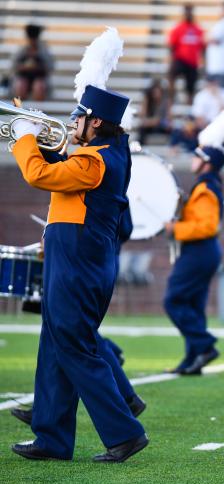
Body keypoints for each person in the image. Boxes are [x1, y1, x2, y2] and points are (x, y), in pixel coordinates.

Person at [9, 77, 149, 462]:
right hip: (76, 260)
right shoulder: (104, 154)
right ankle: (52, 438)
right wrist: (35, 141)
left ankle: (125, 433)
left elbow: (38, 175)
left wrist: (23, 139)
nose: (72, 125)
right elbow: (61, 170)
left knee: (74, 347)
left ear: (97, 123)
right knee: (55, 345)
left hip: (78, 264)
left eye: (79, 119)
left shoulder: (96, 159)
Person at [10, 211, 147, 426]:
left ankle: (126, 401)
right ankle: (46, 413)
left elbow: (125, 227)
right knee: (63, 334)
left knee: (77, 333)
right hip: (77, 256)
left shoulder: (93, 182)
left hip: (87, 258)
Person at [164, 108, 224, 375]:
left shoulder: (207, 188)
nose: (193, 160)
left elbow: (207, 226)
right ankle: (192, 359)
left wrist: (176, 228)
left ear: (206, 160)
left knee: (174, 300)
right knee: (193, 306)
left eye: (198, 156)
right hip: (202, 251)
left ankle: (204, 345)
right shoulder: (205, 185)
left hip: (201, 250)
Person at [167, 4, 205, 105]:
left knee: (191, 87)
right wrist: (171, 61)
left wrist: (203, 62)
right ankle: (171, 98)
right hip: (180, 60)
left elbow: (202, 47)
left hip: (192, 63)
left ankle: (189, 106)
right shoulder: (178, 28)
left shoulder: (198, 29)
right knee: (171, 74)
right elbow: (172, 45)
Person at [12, 24, 54, 102]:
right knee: (21, 85)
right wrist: (23, 67)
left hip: (39, 78)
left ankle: (38, 110)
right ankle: (20, 108)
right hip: (23, 77)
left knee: (39, 86)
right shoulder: (22, 50)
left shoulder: (43, 50)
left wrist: (37, 67)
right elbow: (14, 66)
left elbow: (50, 67)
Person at [138, 78, 172, 145]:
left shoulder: (166, 101)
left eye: (158, 92)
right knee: (142, 129)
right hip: (150, 126)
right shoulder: (147, 101)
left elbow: (169, 120)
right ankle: (141, 146)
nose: (156, 95)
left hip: (161, 126)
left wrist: (157, 121)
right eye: (154, 92)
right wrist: (155, 121)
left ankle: (170, 147)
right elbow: (143, 120)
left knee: (171, 130)